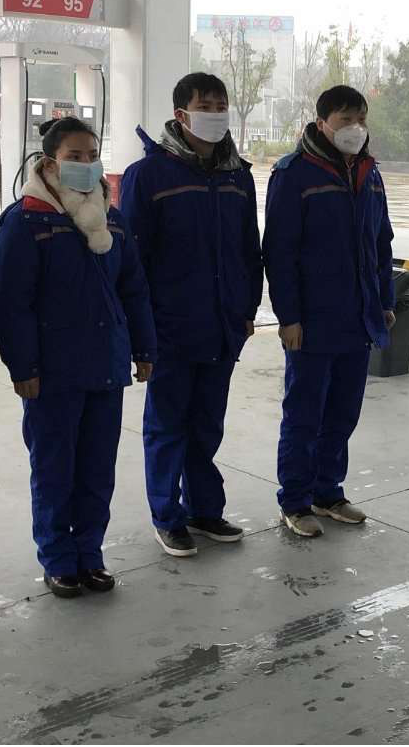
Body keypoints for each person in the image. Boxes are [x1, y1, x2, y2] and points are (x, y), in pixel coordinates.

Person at [0, 117, 156, 598]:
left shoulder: (112, 219)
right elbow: (10, 303)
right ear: (50, 163)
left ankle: (89, 554)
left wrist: (143, 347)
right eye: (74, 157)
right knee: (54, 469)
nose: (86, 164)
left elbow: (133, 289)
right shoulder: (27, 221)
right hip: (53, 373)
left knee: (97, 469)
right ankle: (58, 559)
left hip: (106, 365)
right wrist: (23, 367)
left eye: (92, 156)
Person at [119, 73, 263, 557]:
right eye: (206, 106)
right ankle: (168, 515)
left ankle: (204, 509)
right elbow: (132, 260)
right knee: (167, 424)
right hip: (171, 325)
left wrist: (248, 308)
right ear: (182, 114)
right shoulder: (148, 176)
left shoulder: (237, 176)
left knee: (207, 423)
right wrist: (141, 328)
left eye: (222, 105)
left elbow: (249, 249)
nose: (216, 114)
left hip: (223, 323)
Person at [263, 85, 396, 538]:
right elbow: (279, 252)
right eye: (345, 120)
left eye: (361, 119)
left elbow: (381, 243)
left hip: (358, 317)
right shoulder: (294, 174)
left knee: (342, 412)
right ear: (321, 123)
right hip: (313, 319)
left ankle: (328, 491)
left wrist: (384, 300)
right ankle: (295, 500)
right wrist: (289, 318)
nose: (355, 128)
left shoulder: (369, 173)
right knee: (304, 415)